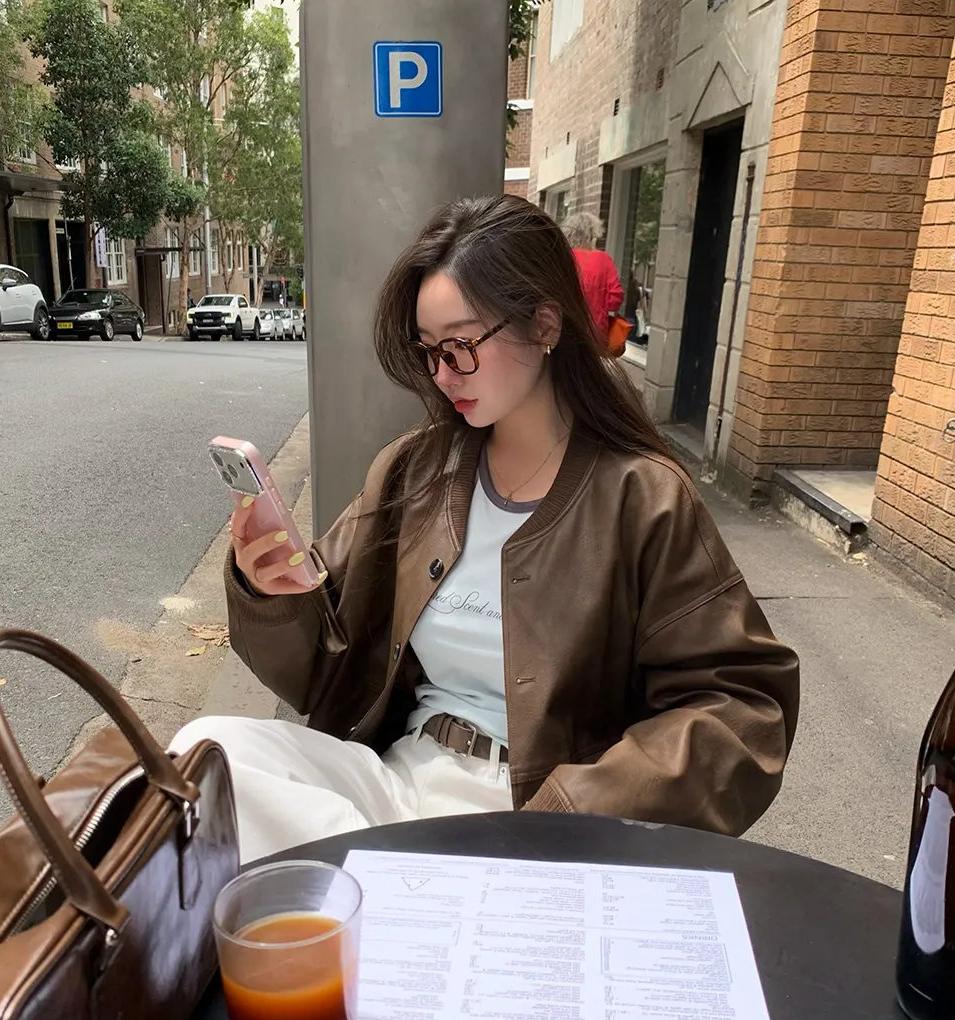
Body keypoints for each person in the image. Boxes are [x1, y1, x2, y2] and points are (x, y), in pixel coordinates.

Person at [170, 195, 799, 862]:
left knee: (349, 867)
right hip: (397, 781)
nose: (443, 375)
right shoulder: (417, 470)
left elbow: (742, 708)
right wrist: (273, 592)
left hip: (532, 820)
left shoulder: (642, 496)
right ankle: (392, 880)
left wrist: (581, 808)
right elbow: (328, 669)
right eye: (429, 350)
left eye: (462, 346)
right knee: (205, 757)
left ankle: (386, 882)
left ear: (545, 323)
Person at [561, 212, 625, 340]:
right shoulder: (604, 259)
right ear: (592, 234)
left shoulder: (564, 257)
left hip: (566, 328)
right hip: (596, 332)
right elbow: (615, 300)